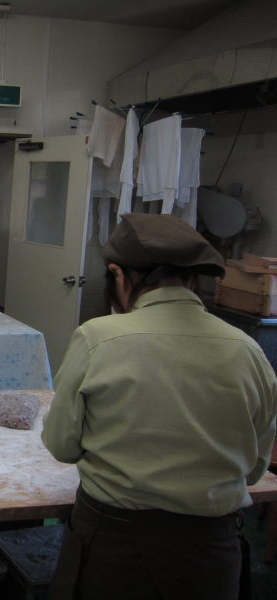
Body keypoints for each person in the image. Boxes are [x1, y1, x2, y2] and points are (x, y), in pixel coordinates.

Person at [41, 213, 277, 599]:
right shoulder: (248, 350)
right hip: (212, 552)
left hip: (114, 547)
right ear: (194, 278)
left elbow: (63, 447)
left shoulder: (98, 338)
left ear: (118, 274)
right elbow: (253, 471)